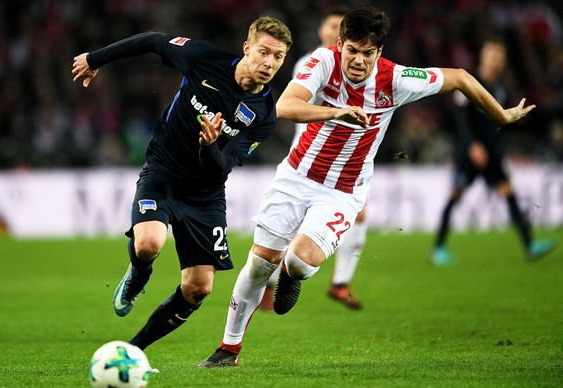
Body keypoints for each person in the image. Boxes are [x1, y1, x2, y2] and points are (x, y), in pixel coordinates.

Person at [198, 6, 536, 368]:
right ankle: (227, 350)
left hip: (343, 191)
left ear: (380, 51)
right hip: (296, 176)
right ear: (340, 44)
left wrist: (501, 115)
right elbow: (285, 105)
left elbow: (460, 77)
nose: (358, 60)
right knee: (259, 264)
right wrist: (336, 111)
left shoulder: (397, 78)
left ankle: (293, 277)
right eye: (352, 50)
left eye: (368, 53)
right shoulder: (322, 62)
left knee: (296, 263)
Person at [72, 17, 293, 351]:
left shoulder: (264, 114)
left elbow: (224, 166)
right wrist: (94, 59)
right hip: (163, 172)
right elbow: (152, 40)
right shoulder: (204, 59)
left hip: (206, 194)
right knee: (148, 244)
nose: (269, 63)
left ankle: (133, 350)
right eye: (264, 52)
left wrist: (209, 146)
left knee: (199, 288)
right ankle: (138, 273)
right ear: (247, 48)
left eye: (278, 57)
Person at [260, 6, 365, 311]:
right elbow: (294, 105)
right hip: (307, 158)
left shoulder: (355, 70)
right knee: (285, 230)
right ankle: (266, 283)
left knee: (359, 214)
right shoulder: (313, 62)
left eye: (341, 28)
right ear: (323, 32)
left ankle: (340, 282)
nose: (336, 32)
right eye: (332, 26)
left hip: (343, 162)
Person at [431, 39, 556, 266]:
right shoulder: (468, 82)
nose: (495, 61)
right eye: (492, 56)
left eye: (499, 57)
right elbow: (462, 119)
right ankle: (438, 248)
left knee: (509, 194)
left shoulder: (499, 87)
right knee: (455, 196)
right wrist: (472, 145)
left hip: (492, 154)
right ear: (483, 57)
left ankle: (530, 245)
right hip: (470, 154)